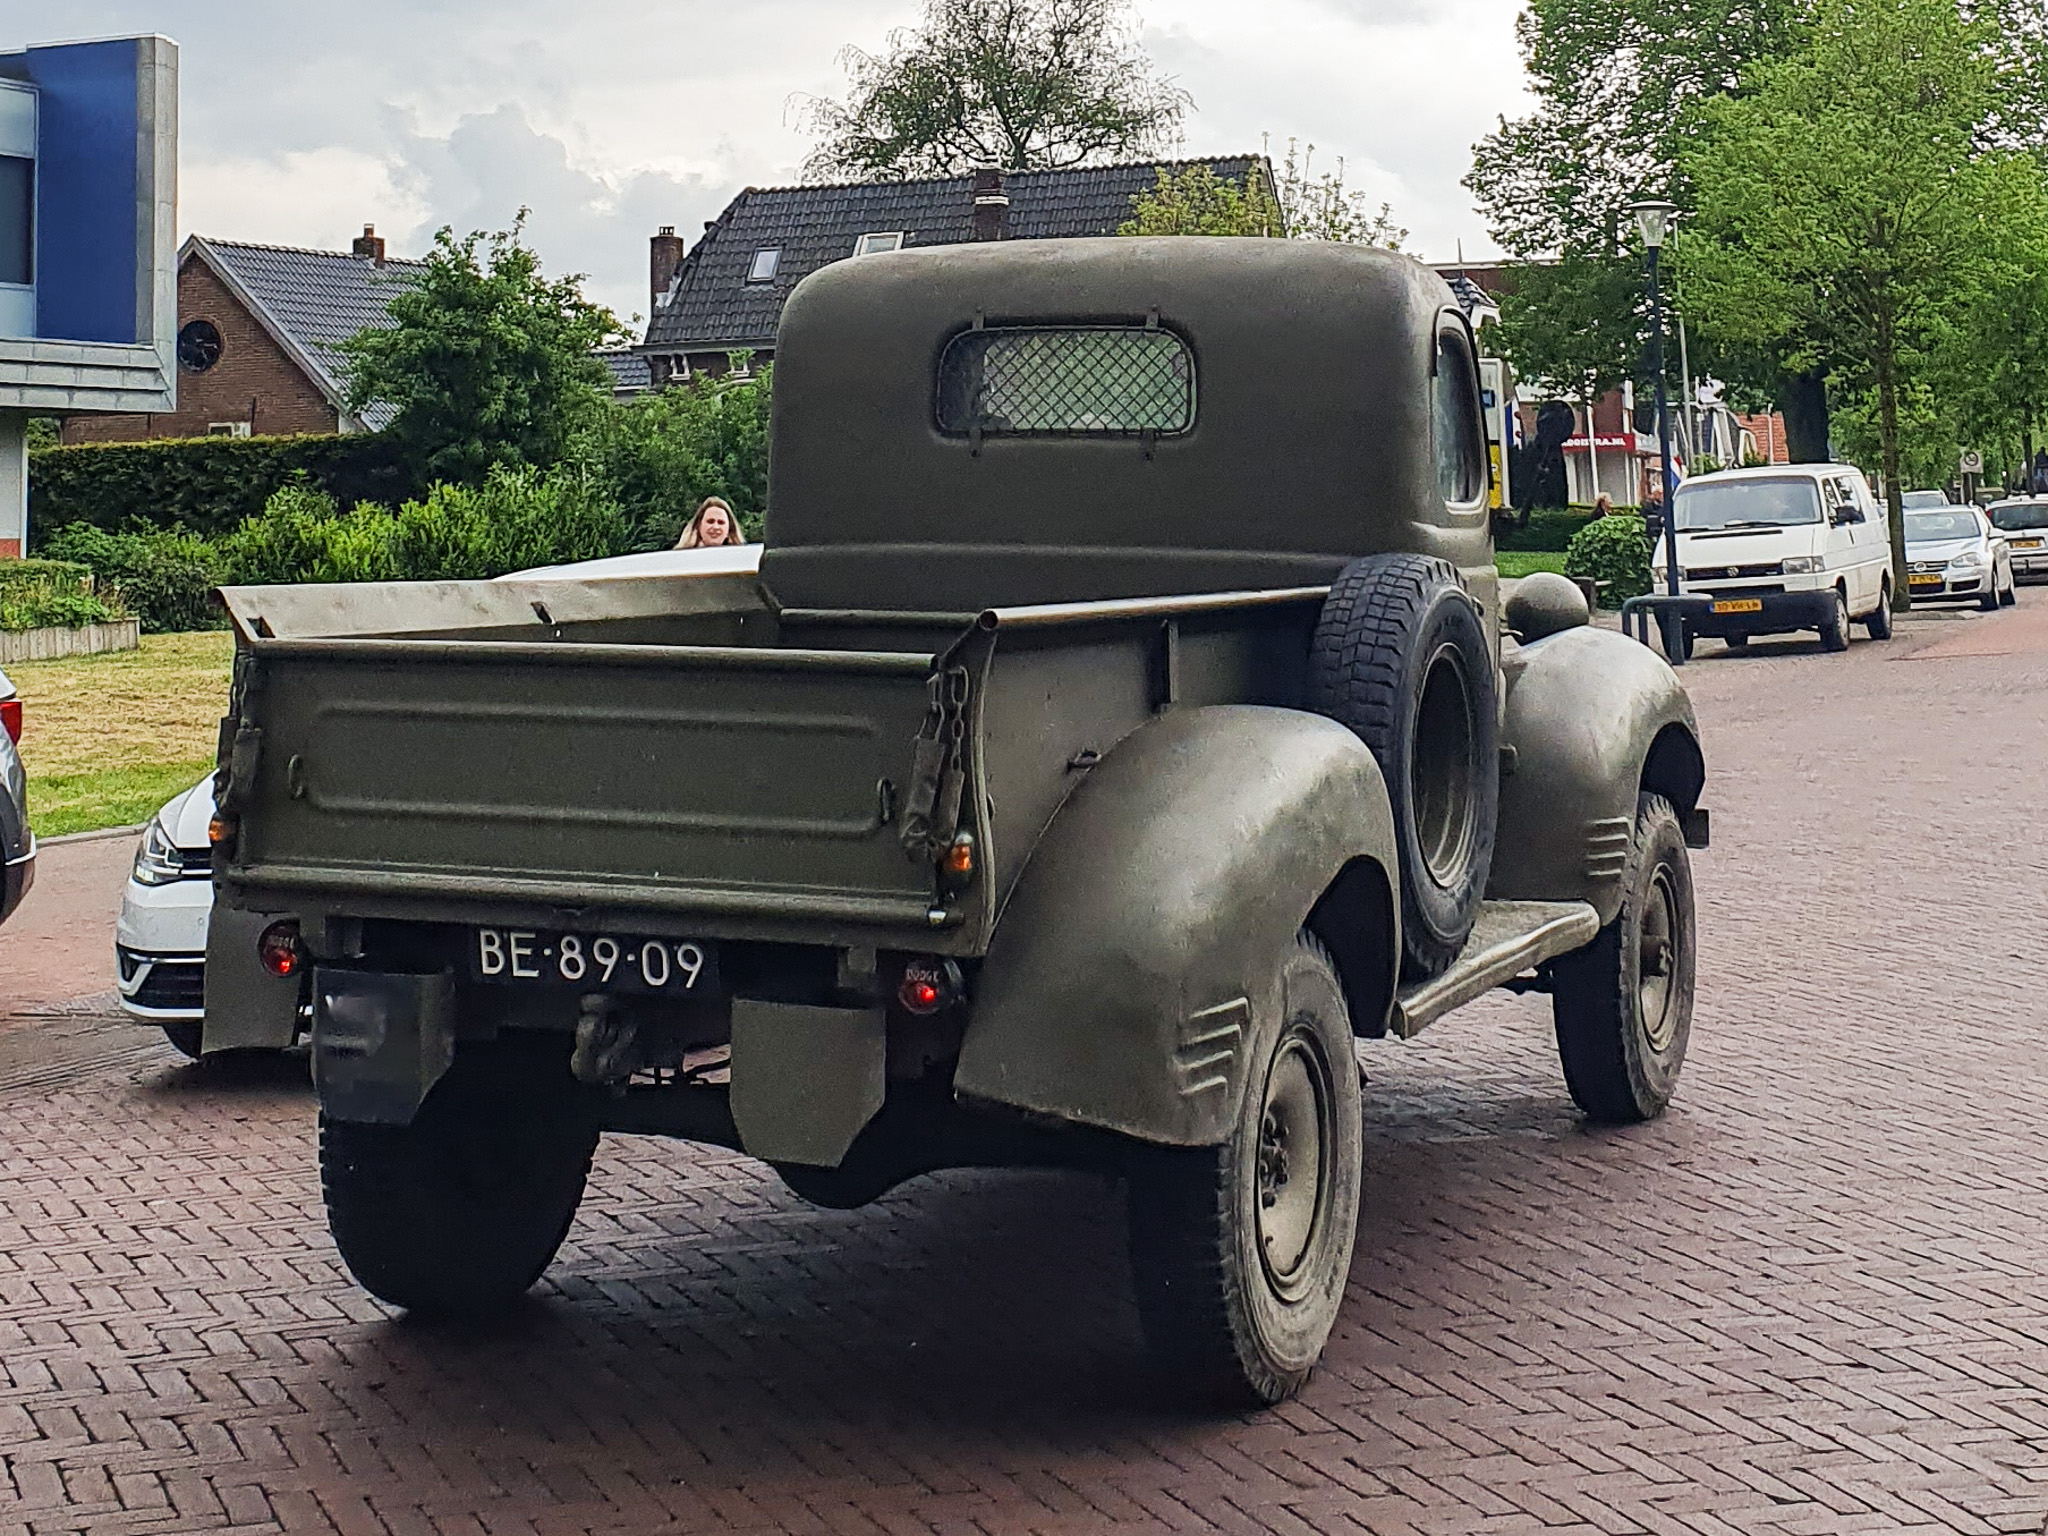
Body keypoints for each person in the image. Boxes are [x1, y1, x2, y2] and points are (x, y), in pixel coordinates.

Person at [675, 497, 748, 549]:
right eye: (710, 521)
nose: (715, 527)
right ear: (698, 526)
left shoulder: (740, 561)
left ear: (729, 531)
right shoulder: (679, 559)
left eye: (721, 522)